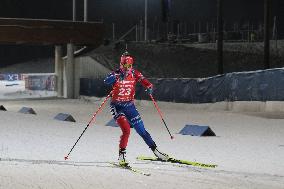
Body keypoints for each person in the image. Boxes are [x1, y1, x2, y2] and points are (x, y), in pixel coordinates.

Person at [104, 51, 169, 166]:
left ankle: (156, 152)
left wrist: (149, 87)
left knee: (142, 131)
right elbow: (106, 80)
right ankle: (121, 156)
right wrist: (115, 77)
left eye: (129, 66)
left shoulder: (134, 73)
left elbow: (147, 82)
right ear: (121, 65)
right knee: (126, 131)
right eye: (125, 65)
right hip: (117, 107)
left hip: (129, 106)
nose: (127, 68)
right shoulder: (116, 74)